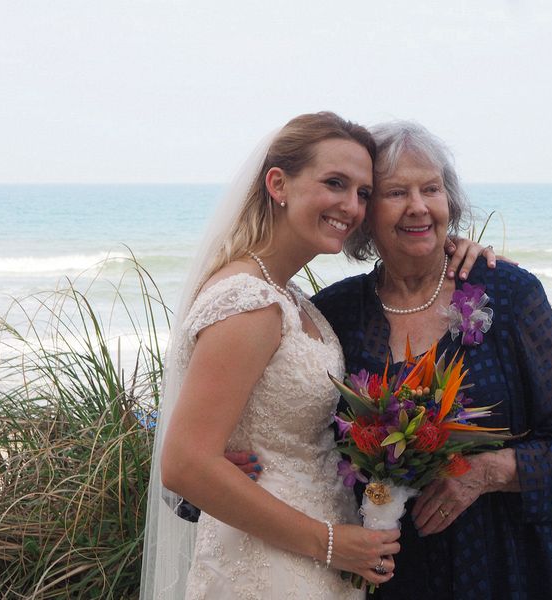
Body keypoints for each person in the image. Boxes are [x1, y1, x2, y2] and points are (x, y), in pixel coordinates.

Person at [311, 121, 552, 598]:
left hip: (509, 568)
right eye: (396, 192)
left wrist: (483, 473)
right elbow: (307, 439)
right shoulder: (336, 312)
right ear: (365, 213)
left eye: (431, 189)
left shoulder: (508, 293)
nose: (419, 206)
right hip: (392, 576)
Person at [140, 112, 401, 599]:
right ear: (278, 184)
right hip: (269, 564)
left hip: (307, 554)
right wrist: (329, 545)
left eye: (363, 193)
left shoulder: (290, 297)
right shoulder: (250, 302)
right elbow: (184, 464)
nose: (351, 206)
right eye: (335, 183)